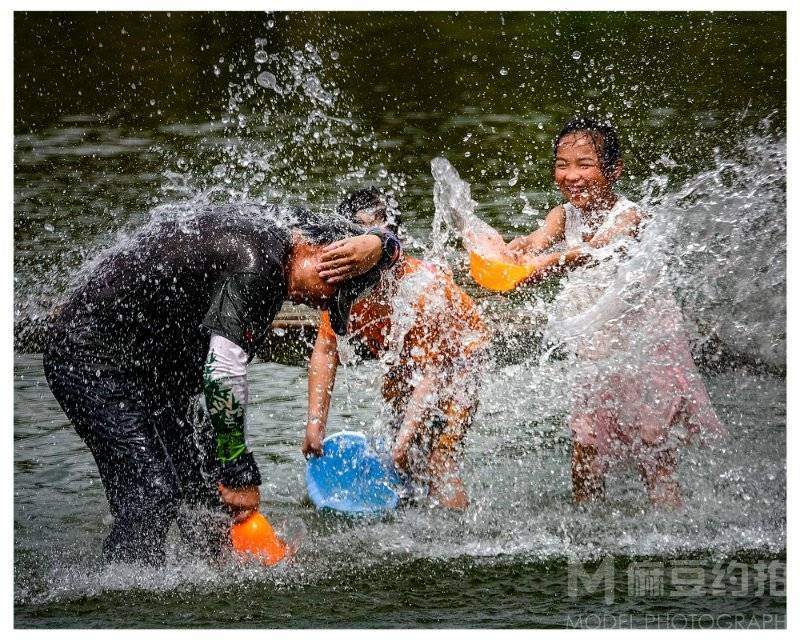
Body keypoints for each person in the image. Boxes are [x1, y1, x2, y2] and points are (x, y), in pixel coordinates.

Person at [43, 203, 400, 564]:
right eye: (332, 283)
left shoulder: (288, 226)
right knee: (153, 493)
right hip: (91, 359)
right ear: (315, 247)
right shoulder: (259, 269)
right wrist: (240, 470)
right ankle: (120, 591)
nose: (322, 300)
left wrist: (379, 243)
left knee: (205, 488)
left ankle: (218, 569)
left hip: (148, 366)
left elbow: (388, 243)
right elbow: (223, 373)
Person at [447, 117, 724, 508]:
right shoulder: (563, 215)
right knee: (585, 454)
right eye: (562, 164)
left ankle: (670, 536)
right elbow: (536, 240)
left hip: (646, 348)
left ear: (613, 170)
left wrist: (543, 266)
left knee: (654, 454)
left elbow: (594, 249)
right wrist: (508, 253)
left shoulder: (629, 215)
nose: (570, 175)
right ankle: (586, 533)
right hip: (597, 348)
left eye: (584, 164)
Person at [302, 188, 489, 509]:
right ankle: (408, 510)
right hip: (406, 357)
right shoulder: (344, 286)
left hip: (460, 358)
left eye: (371, 236)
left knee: (437, 456)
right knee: (397, 444)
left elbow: (433, 371)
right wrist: (316, 421)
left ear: (389, 244)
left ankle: (457, 535)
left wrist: (403, 444)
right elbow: (326, 350)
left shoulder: (422, 289)